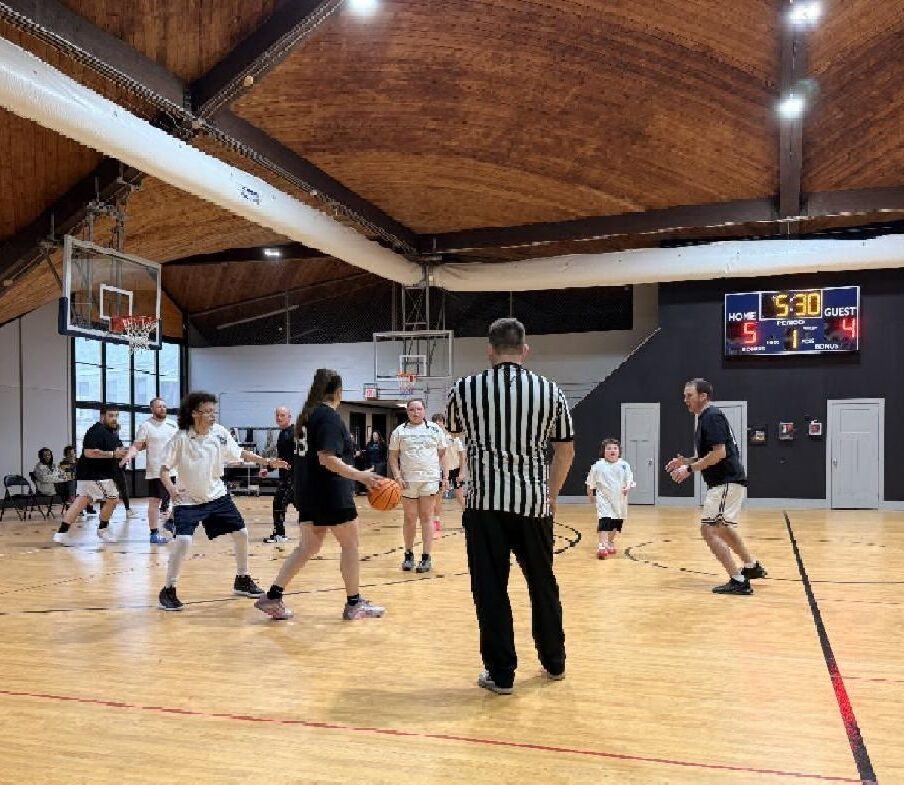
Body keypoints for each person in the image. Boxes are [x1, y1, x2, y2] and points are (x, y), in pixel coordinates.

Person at [447, 317, 574, 695]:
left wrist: (460, 480)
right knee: (542, 584)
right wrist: (550, 495)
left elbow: (452, 439)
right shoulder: (550, 391)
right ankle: (554, 662)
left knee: (490, 590)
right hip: (533, 504)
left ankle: (501, 674)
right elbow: (565, 451)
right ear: (525, 349)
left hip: (485, 505)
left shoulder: (465, 388)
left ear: (489, 349)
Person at [254, 369, 385, 621]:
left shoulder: (306, 417)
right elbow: (327, 458)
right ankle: (354, 603)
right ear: (338, 391)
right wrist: (360, 476)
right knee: (350, 545)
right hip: (331, 492)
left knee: (307, 547)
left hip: (308, 492)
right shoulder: (328, 417)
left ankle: (272, 597)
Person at [157, 392, 288, 611]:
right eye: (208, 412)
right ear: (195, 413)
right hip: (188, 500)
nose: (213, 416)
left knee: (241, 533)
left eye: (214, 411)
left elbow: (240, 453)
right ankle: (169, 589)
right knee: (184, 542)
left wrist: (266, 461)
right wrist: (171, 488)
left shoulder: (219, 433)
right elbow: (163, 469)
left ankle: (242, 579)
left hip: (217, 495)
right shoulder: (180, 438)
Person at [665, 378, 768, 595]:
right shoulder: (706, 418)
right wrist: (686, 461)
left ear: (703, 396)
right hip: (726, 483)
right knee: (722, 527)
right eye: (684, 396)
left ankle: (738, 580)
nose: (685, 400)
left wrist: (689, 470)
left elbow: (719, 454)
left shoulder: (711, 417)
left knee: (709, 530)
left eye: (689, 395)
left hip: (726, 482)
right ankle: (751, 566)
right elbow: (708, 455)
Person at [53, 406, 127, 546]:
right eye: (111, 415)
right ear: (102, 416)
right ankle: (102, 529)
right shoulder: (96, 431)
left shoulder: (112, 433)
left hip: (93, 474)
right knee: (113, 498)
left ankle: (61, 533)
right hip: (95, 474)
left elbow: (117, 450)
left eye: (116, 415)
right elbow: (88, 452)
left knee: (81, 502)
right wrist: (112, 454)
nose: (114, 418)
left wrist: (124, 455)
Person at [388, 399, 447, 573]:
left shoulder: (435, 430)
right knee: (410, 518)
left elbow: (442, 455)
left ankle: (426, 557)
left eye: (419, 409)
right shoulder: (399, 431)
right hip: (408, 481)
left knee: (427, 517)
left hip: (429, 479)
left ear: (424, 411)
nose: (416, 412)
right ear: (407, 412)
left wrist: (445, 476)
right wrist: (397, 476)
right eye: (412, 409)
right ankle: (408, 554)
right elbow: (393, 457)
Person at [121, 398, 178, 545]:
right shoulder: (146, 426)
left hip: (175, 469)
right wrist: (129, 454)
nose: (163, 408)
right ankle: (153, 533)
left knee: (183, 499)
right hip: (156, 471)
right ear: (152, 409)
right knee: (155, 503)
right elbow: (137, 445)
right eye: (159, 406)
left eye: (164, 406)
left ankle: (170, 521)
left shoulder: (173, 424)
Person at [585, 438, 634, 559]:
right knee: (605, 520)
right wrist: (590, 494)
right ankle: (602, 545)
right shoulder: (598, 466)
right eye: (609, 448)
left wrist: (627, 487)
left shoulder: (624, 465)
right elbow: (590, 481)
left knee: (616, 523)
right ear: (604, 451)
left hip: (620, 500)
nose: (612, 450)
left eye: (615, 448)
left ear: (619, 451)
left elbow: (629, 480)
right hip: (604, 499)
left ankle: (610, 541)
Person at [263, 406, 296, 544]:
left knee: (278, 504)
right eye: (277, 415)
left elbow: (293, 457)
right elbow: (282, 458)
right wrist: (269, 468)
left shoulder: (292, 434)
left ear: (289, 417)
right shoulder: (283, 434)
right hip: (288, 477)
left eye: (282, 415)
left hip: (292, 478)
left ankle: (280, 534)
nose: (279, 418)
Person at [431, 413, 465, 535]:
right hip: (440, 470)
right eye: (436, 424)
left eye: (440, 423)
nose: (438, 426)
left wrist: (462, 471)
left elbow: (462, 456)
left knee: (460, 496)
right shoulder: (432, 439)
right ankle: (436, 521)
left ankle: (466, 521)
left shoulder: (453, 437)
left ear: (444, 424)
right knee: (437, 498)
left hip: (455, 469)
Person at [111, 422, 138, 520]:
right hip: (114, 469)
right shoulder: (112, 440)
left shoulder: (117, 440)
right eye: (115, 430)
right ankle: (126, 510)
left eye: (117, 430)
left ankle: (127, 510)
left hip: (117, 468)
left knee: (119, 490)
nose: (116, 432)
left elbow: (122, 453)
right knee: (119, 490)